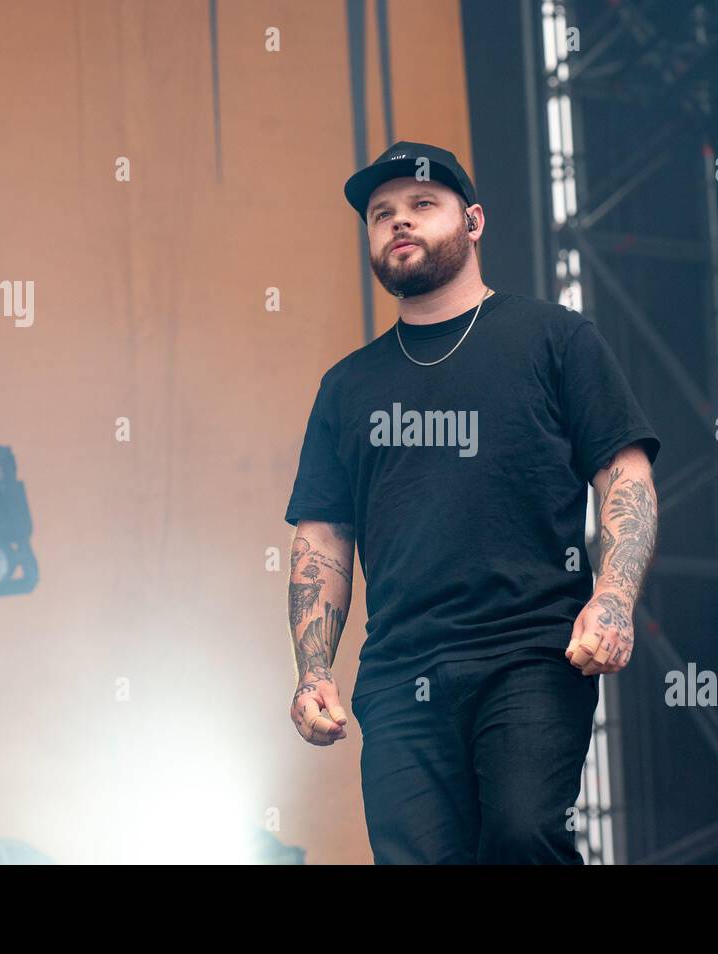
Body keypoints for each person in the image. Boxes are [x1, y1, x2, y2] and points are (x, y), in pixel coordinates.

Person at [283, 140, 661, 864]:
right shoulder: (347, 386)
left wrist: (612, 597)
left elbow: (625, 475)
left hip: (530, 650)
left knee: (523, 835)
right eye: (382, 214)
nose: (399, 223)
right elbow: (322, 536)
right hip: (399, 669)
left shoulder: (555, 339)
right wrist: (313, 671)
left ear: (474, 221)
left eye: (422, 205)